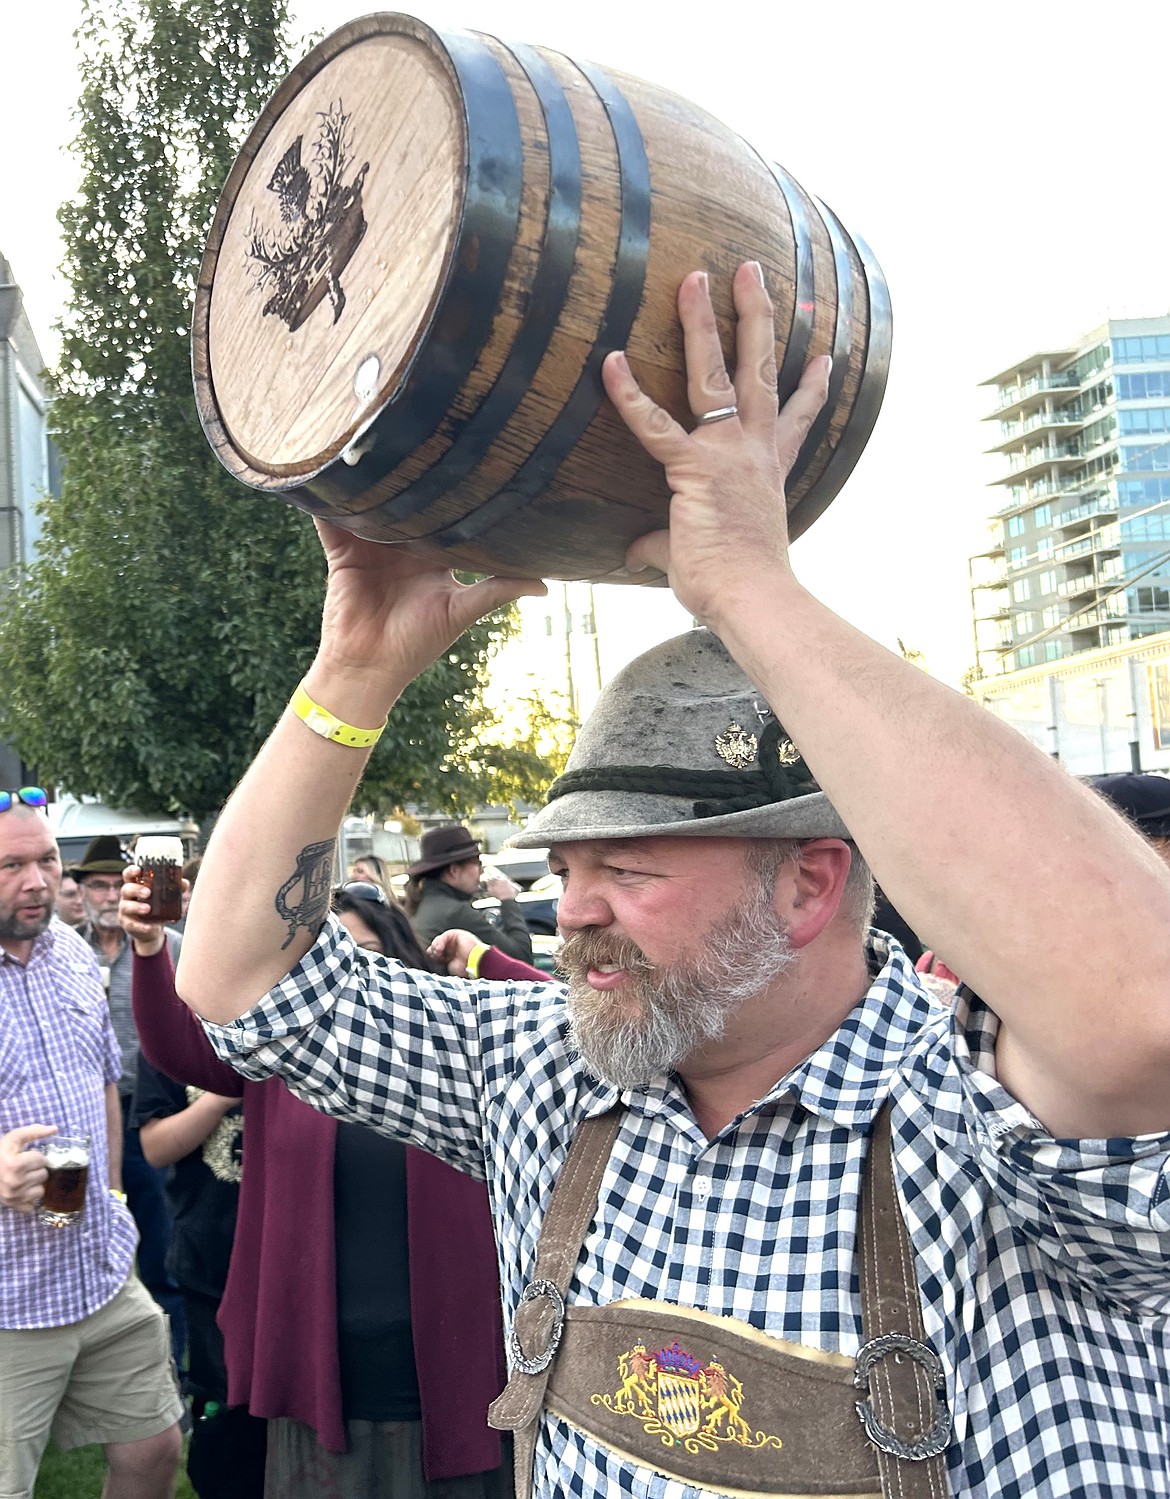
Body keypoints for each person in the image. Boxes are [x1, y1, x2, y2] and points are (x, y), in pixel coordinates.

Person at [175, 264, 1170, 1497]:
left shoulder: (975, 1114)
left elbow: (1143, 1014)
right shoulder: (548, 1073)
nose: (572, 910)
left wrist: (751, 587)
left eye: (629, 868)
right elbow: (237, 979)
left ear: (809, 886)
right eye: (566, 866)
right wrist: (354, 672)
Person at [122, 870, 514, 1499]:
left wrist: (482, 958)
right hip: (327, 1369)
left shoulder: (459, 1053)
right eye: (332, 970)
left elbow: (575, 1029)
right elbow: (178, 1049)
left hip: (459, 1356)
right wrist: (149, 950)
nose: (352, 986)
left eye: (369, 960)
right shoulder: (287, 1059)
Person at [0, 788, 184, 1499]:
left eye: (47, 859)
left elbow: (107, 1080)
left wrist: (109, 1192)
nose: (38, 879)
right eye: (12, 864)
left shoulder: (74, 956)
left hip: (98, 1270)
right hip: (9, 1299)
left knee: (154, 1447)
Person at [132, 1054, 267, 1498]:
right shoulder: (174, 1042)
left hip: (293, 1261)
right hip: (212, 1264)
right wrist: (221, 1097)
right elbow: (156, 1148)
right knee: (227, 1403)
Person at [74, 834, 186, 1366]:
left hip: (153, 1109)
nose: (105, 895)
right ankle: (89, 1366)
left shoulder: (173, 945)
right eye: (95, 885)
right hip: (88, 1116)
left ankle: (172, 1373)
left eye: (115, 884)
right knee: (83, 1240)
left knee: (162, 1249)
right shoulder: (66, 950)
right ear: (77, 892)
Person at [404, 824, 533, 964]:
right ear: (454, 870)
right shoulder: (455, 912)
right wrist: (508, 899)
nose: (481, 871)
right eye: (477, 862)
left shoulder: (422, 904)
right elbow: (522, 958)